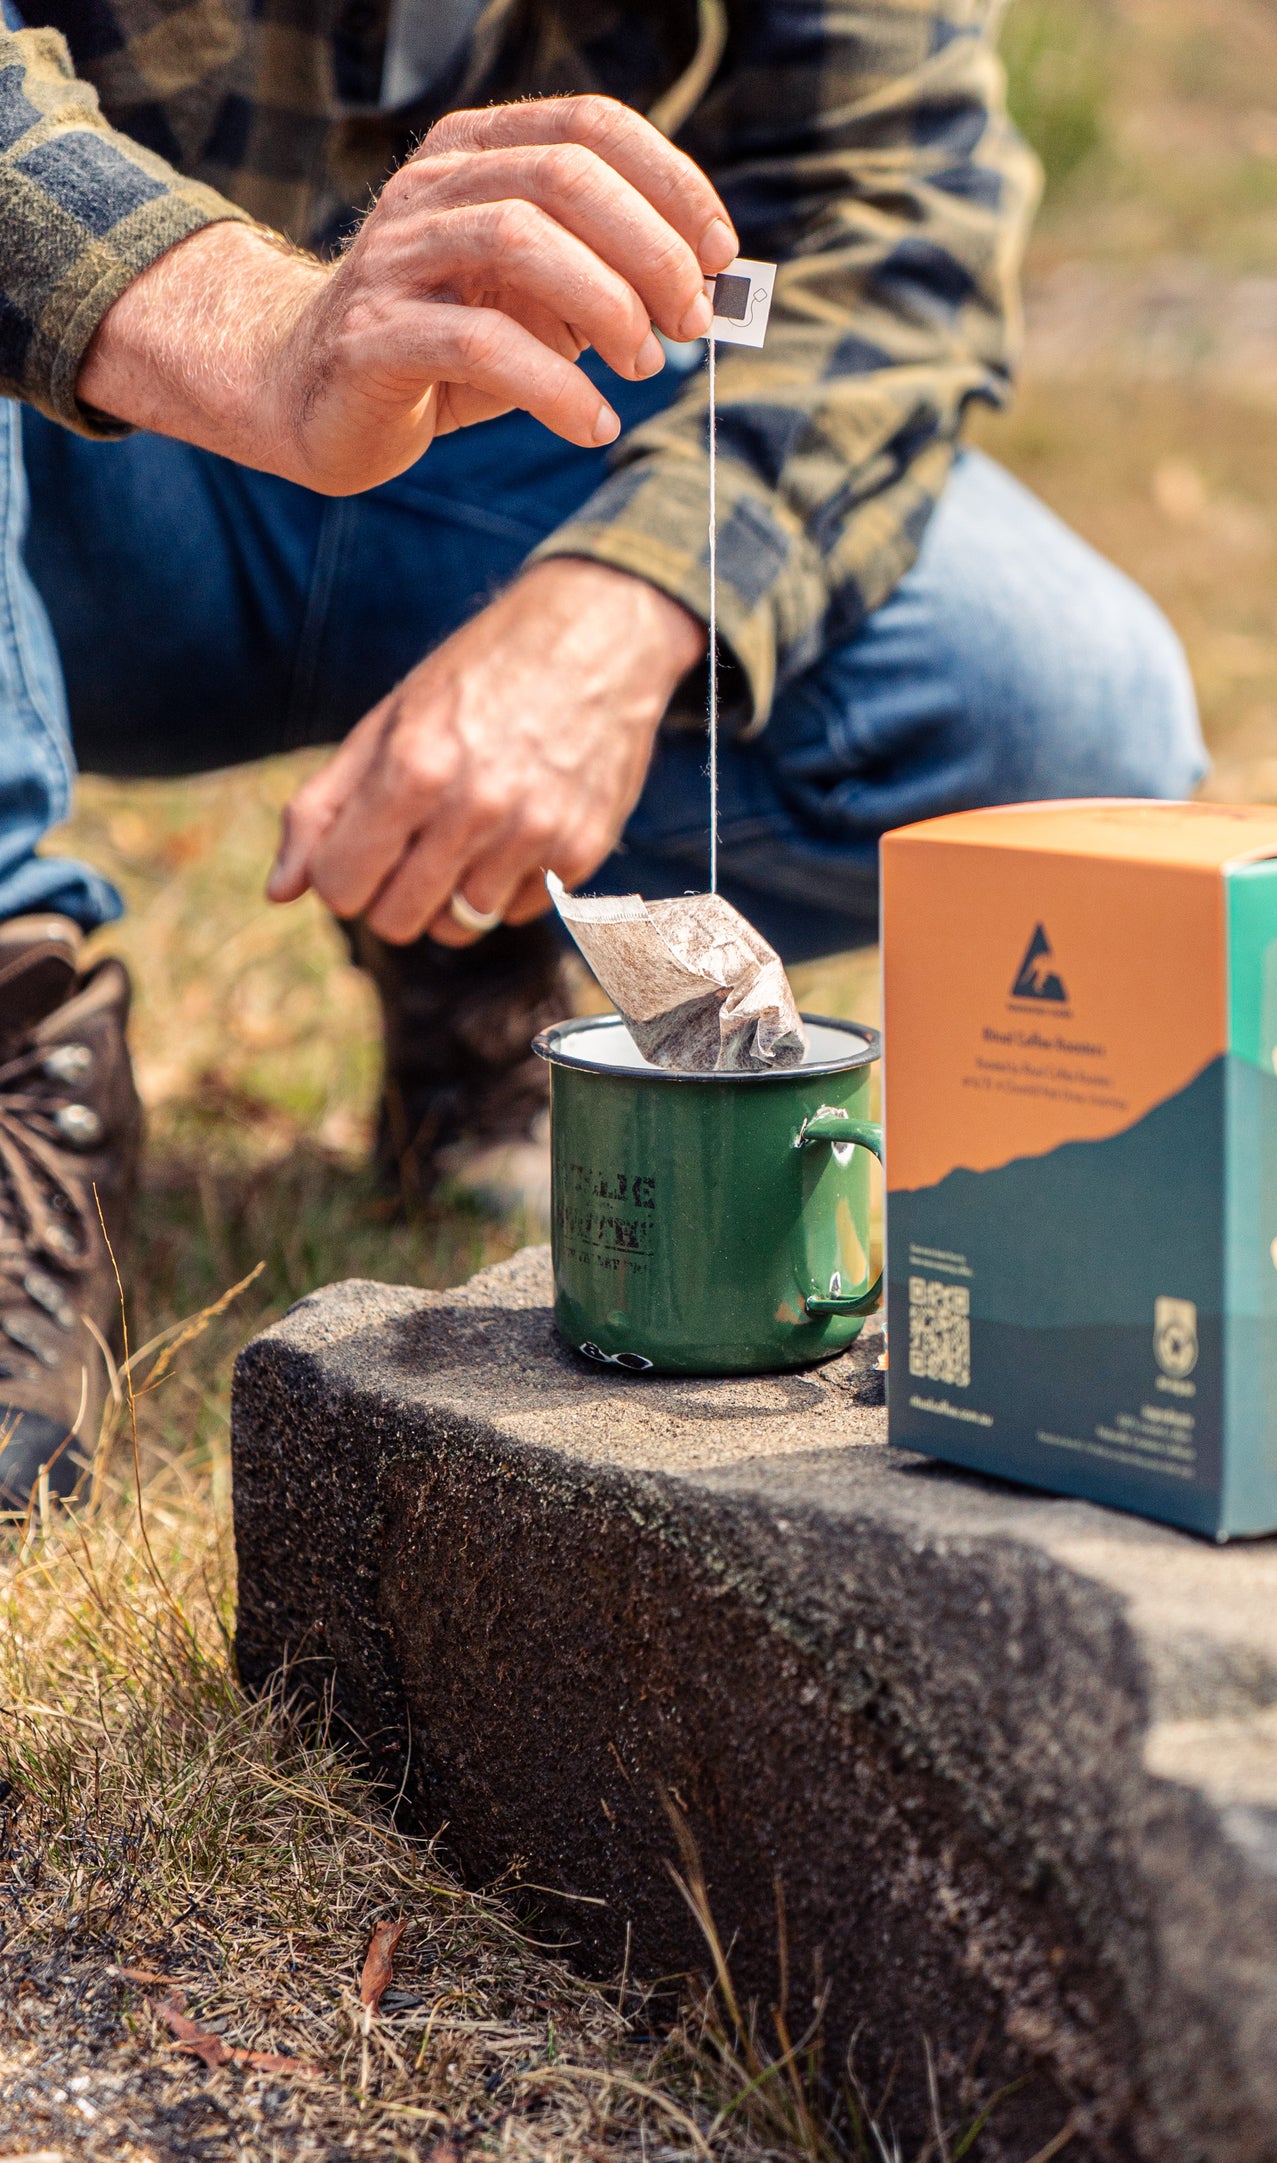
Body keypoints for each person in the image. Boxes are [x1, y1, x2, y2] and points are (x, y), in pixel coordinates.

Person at [0, 0, 1205, 1509]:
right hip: (74, 448)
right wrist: (256, 331)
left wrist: (621, 611)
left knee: (1060, 711)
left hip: (519, 435)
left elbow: (892, 213)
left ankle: (478, 910)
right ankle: (19, 1029)